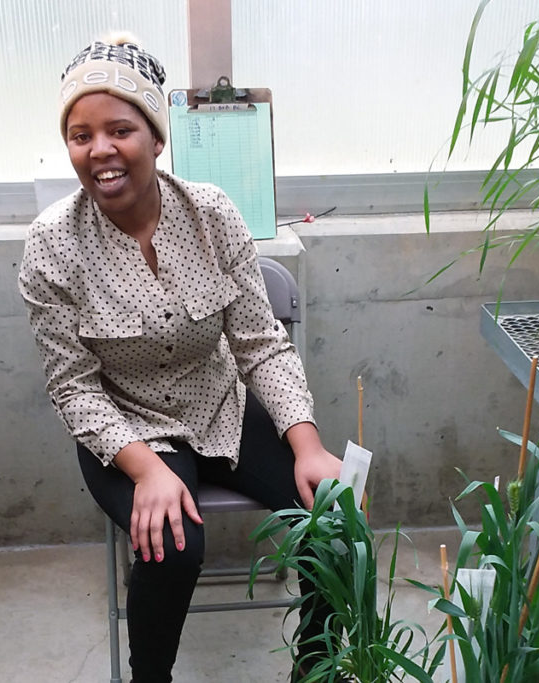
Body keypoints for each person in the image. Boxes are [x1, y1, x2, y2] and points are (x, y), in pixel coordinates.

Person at [18, 34, 343, 683]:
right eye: (80, 135)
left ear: (157, 136)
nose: (100, 150)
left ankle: (319, 669)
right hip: (124, 425)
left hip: (216, 399)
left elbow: (258, 340)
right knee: (171, 548)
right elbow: (74, 389)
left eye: (119, 129)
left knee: (334, 518)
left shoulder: (212, 215)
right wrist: (147, 471)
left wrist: (305, 443)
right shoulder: (51, 246)